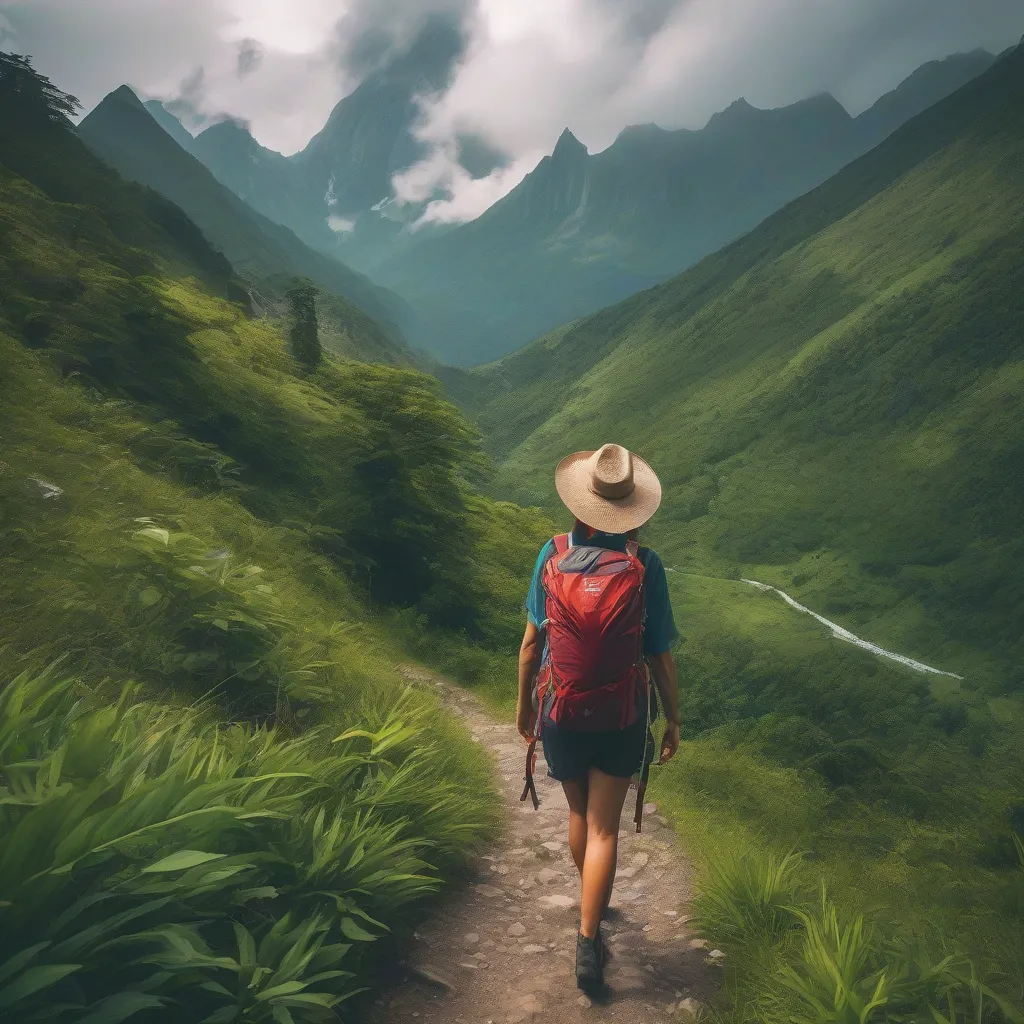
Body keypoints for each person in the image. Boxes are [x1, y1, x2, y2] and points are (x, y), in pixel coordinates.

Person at [516, 443, 681, 994]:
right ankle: (588, 941)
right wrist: (674, 720)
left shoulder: (553, 551)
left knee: (579, 815)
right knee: (607, 827)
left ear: (579, 501)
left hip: (560, 707)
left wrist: (523, 708)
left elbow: (531, 643)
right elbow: (658, 653)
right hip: (621, 713)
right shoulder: (644, 564)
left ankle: (589, 900)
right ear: (633, 509)